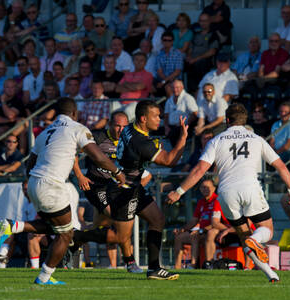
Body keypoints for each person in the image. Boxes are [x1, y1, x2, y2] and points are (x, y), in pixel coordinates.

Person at [0, 97, 125, 285]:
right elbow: (98, 156)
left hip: (34, 183)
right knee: (66, 234)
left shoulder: (45, 132)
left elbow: (30, 162)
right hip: (52, 185)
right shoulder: (78, 128)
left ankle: (14, 226)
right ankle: (44, 277)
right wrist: (117, 172)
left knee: (57, 228)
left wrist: (28, 182)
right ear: (75, 113)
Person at [167, 103, 290, 282]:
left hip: (226, 194)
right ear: (244, 120)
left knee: (244, 236)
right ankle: (256, 242)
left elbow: (200, 169)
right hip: (250, 189)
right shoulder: (257, 139)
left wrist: (178, 192)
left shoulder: (217, 140)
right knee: (266, 230)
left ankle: (270, 274)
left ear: (227, 120)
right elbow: (280, 166)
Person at [105, 99, 188, 280]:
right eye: (156, 116)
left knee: (157, 219)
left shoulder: (129, 128)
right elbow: (169, 161)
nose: (159, 119)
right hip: (123, 190)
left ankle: (154, 269)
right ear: (143, 118)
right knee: (120, 237)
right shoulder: (141, 142)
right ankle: (76, 236)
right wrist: (183, 138)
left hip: (132, 186)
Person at [71, 111, 142, 273]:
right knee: (119, 221)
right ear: (109, 124)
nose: (121, 129)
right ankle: (130, 262)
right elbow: (73, 153)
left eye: (124, 126)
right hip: (95, 186)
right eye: (117, 125)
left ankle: (78, 237)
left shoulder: (130, 141)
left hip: (116, 189)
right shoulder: (97, 138)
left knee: (114, 227)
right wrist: (80, 175)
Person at [114, 52, 153, 121]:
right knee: (111, 108)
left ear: (145, 62)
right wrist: (133, 87)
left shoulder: (148, 75)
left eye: (141, 60)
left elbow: (138, 87)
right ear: (133, 61)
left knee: (124, 115)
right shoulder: (127, 74)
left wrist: (125, 84)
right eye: (136, 60)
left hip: (136, 103)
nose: (138, 62)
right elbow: (117, 89)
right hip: (121, 102)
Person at [186, 13, 219, 94]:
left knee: (200, 63)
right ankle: (190, 91)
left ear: (209, 22)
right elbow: (190, 48)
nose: (203, 23)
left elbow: (212, 51)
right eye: (201, 21)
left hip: (205, 61)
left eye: (205, 21)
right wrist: (189, 57)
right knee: (186, 63)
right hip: (193, 60)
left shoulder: (213, 35)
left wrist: (196, 59)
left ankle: (199, 90)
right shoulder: (195, 34)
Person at [164, 80, 198, 146]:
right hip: (172, 127)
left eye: (177, 87)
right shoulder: (169, 99)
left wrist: (185, 124)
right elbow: (166, 115)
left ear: (182, 87)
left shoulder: (188, 98)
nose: (175, 89)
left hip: (184, 127)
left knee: (174, 134)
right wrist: (166, 127)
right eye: (173, 87)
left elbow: (195, 114)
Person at [155, 31, 183, 97]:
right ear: (162, 41)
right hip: (162, 79)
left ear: (172, 42)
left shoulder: (178, 53)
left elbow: (177, 72)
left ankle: (172, 106)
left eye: (169, 40)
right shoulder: (159, 54)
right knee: (149, 86)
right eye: (165, 40)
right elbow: (159, 71)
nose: (167, 42)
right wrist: (165, 81)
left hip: (175, 80)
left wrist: (164, 81)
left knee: (168, 87)